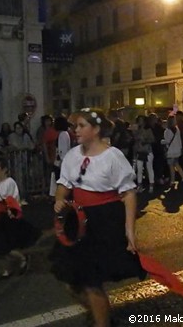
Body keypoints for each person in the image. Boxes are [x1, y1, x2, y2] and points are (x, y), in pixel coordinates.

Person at [49, 108, 145, 327]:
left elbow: (128, 193)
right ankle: (100, 314)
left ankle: (103, 323)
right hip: (78, 219)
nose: (76, 130)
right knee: (70, 281)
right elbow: (64, 183)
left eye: (82, 126)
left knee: (92, 282)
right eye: (75, 126)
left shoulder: (113, 156)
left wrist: (130, 231)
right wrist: (60, 198)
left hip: (104, 221)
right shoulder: (73, 155)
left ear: (97, 129)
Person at [0, 156, 40, 281]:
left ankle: (21, 259)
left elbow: (13, 199)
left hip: (8, 218)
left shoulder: (9, 182)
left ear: (4, 170)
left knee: (3, 246)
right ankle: (7, 269)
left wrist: (9, 208)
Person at [133, 115, 156, 193]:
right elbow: (134, 139)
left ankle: (151, 185)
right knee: (139, 169)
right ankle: (139, 185)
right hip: (139, 151)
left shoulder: (148, 130)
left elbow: (153, 140)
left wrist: (145, 141)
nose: (140, 122)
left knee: (149, 168)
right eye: (139, 120)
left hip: (147, 151)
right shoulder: (137, 130)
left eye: (141, 120)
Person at [162, 115, 183, 187]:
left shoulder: (167, 130)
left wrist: (161, 141)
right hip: (177, 150)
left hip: (170, 151)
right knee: (177, 164)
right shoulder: (176, 129)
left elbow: (167, 141)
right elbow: (179, 140)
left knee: (171, 167)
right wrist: (180, 148)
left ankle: (172, 181)